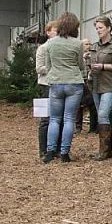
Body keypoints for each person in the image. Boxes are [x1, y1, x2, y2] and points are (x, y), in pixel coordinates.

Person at [42, 12, 85, 163]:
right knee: (69, 119)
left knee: (54, 119)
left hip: (56, 82)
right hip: (74, 83)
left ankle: (49, 152)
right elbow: (80, 65)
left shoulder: (51, 43)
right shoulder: (78, 43)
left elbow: (47, 66)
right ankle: (64, 153)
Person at [87, 16, 112, 160]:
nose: (98, 31)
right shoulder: (94, 46)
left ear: (109, 28)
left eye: (101, 28)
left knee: (103, 114)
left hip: (110, 84)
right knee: (103, 116)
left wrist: (104, 66)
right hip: (96, 85)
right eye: (97, 28)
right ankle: (107, 150)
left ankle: (103, 151)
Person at [35, 20, 60, 159]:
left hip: (58, 84)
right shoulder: (42, 48)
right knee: (45, 119)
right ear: (48, 32)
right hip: (45, 85)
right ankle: (43, 149)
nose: (57, 33)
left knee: (58, 118)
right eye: (54, 30)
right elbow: (39, 69)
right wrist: (53, 68)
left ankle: (55, 148)